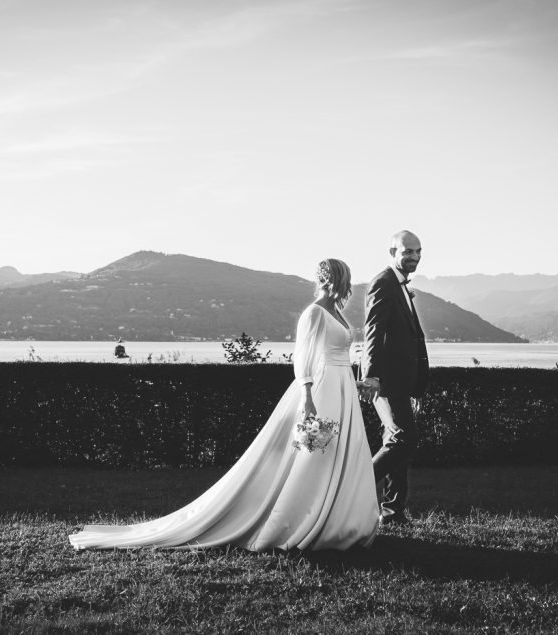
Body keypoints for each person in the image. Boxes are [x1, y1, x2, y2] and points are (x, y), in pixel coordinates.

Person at [68, 259, 380, 551]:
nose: (345, 285)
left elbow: (339, 358)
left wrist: (355, 384)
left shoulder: (337, 314)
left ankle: (339, 521)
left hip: (342, 391)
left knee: (342, 454)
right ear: (329, 280)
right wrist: (308, 397)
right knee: (315, 458)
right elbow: (304, 358)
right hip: (322, 391)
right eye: (341, 279)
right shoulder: (314, 313)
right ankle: (305, 520)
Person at [359, 230, 430, 526]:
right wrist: (371, 376)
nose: (414, 256)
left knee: (395, 441)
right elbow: (373, 331)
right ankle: (355, 487)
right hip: (386, 381)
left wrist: (417, 386)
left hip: (400, 381)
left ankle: (392, 511)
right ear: (392, 252)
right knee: (405, 439)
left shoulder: (400, 285)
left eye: (418, 251)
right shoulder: (384, 283)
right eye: (407, 251)